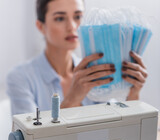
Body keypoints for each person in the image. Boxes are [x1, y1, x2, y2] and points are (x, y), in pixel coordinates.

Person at [6, 0, 148, 115]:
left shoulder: (94, 70)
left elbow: (114, 129)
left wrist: (133, 94)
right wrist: (72, 99)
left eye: (78, 16)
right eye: (60, 18)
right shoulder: (20, 77)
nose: (72, 26)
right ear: (40, 26)